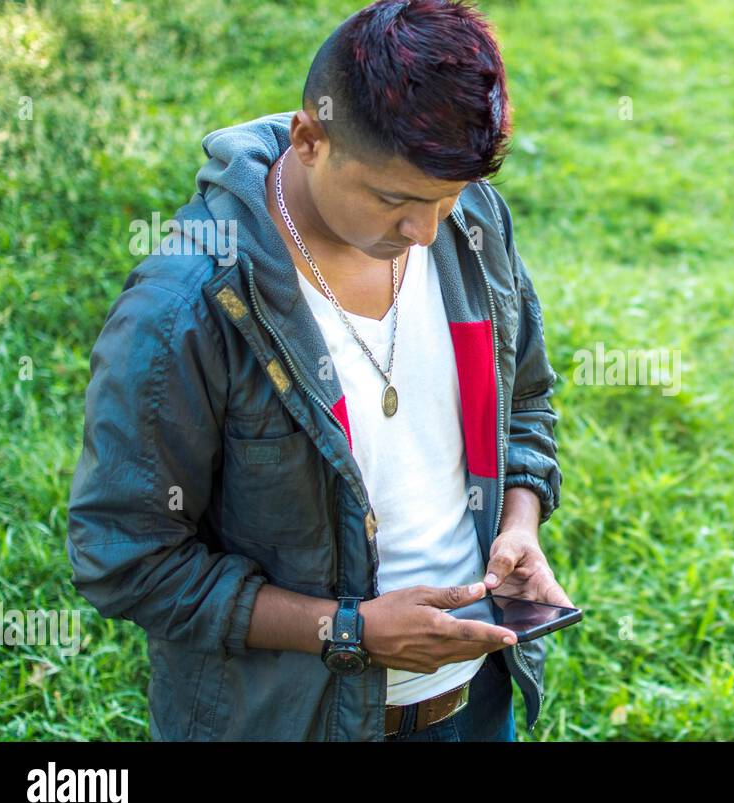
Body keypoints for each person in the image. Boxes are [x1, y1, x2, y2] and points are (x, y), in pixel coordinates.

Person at [66, 0, 570, 742]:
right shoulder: (188, 308)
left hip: (475, 705)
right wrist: (350, 632)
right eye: (394, 198)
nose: (423, 233)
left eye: (446, 199)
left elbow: (526, 401)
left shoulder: (473, 226)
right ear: (308, 139)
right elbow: (127, 559)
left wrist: (520, 523)